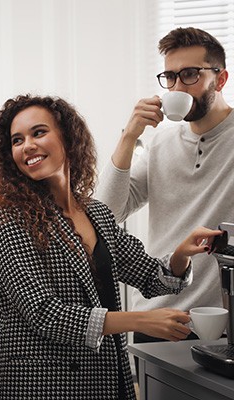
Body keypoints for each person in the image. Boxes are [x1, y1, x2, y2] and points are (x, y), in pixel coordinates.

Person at [0, 94, 222, 399]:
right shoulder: (12, 219)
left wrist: (181, 254)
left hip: (106, 375)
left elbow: (150, 275)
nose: (27, 145)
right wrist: (140, 320)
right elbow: (44, 313)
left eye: (38, 132)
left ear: (68, 138)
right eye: (17, 140)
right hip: (42, 385)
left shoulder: (96, 212)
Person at [98, 27, 234, 349]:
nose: (176, 86)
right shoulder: (160, 141)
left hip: (219, 319)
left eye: (189, 74)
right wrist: (129, 137)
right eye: (170, 77)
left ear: (221, 78)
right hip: (156, 317)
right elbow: (107, 213)